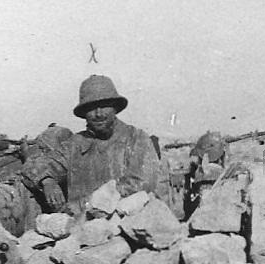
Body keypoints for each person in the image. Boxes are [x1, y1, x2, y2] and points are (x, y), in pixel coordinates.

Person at [20, 75, 169, 214]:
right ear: (84, 112)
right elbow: (34, 165)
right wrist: (47, 181)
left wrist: (82, 205)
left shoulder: (136, 138)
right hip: (83, 226)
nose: (98, 113)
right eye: (91, 108)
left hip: (127, 224)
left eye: (104, 105)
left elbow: (140, 185)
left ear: (115, 107)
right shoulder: (76, 144)